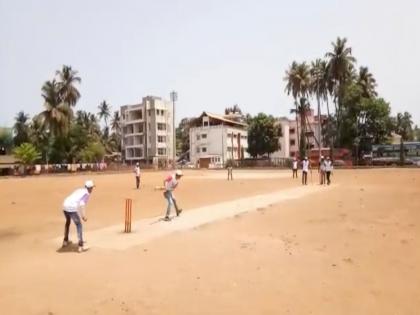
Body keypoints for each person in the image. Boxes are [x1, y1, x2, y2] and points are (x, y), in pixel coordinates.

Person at [62, 180, 95, 252]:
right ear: (89, 188)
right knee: (79, 225)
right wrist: (83, 216)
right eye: (92, 188)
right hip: (71, 208)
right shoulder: (86, 194)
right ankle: (80, 245)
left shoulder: (79, 190)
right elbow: (82, 204)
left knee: (68, 222)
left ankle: (65, 241)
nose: (92, 189)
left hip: (64, 206)